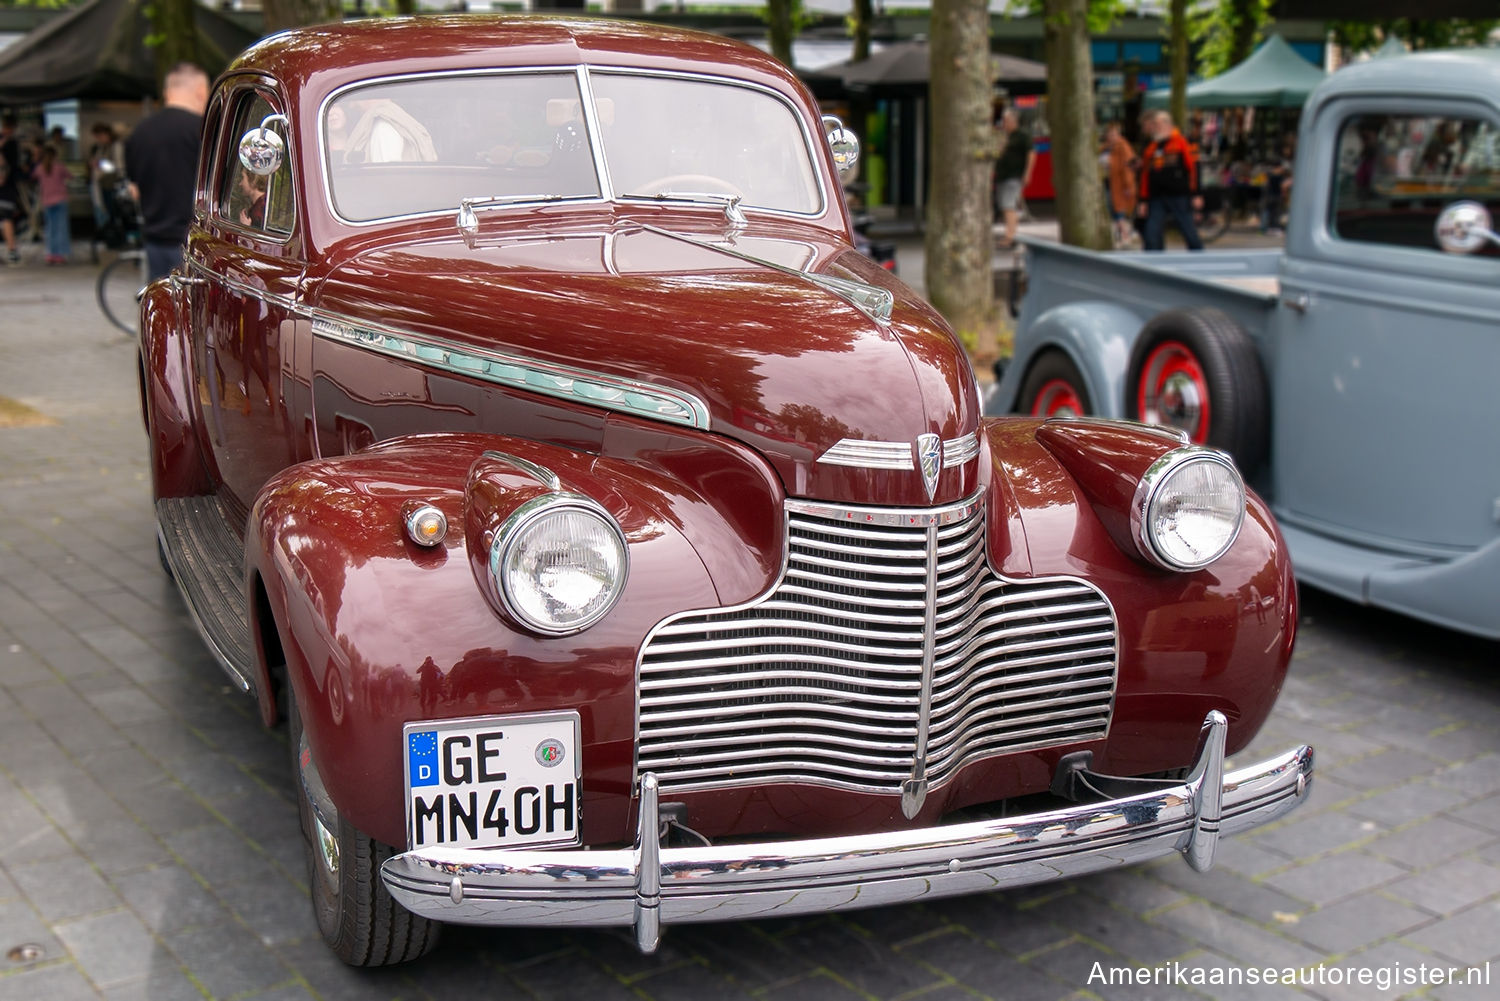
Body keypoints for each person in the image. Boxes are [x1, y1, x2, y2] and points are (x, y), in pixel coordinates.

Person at [125, 63, 209, 282]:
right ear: (201, 91)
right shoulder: (204, 131)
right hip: (195, 243)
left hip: (155, 239)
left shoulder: (139, 133)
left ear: (166, 92)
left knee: (162, 307)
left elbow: (134, 190)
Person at [1138, 110, 1203, 251]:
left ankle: (1201, 259)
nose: (1154, 127)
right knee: (1151, 233)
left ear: (1167, 125)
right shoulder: (1151, 148)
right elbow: (1145, 176)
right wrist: (1143, 200)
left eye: (1157, 124)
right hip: (1157, 198)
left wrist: (1196, 193)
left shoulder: (1182, 142)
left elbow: (1194, 169)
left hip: (1179, 195)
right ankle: (1153, 265)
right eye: (1154, 124)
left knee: (1188, 231)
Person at [994, 108, 1034, 249]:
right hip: (1002, 175)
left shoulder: (1022, 136)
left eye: (1006, 121)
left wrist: (1027, 173)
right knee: (1005, 205)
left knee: (1008, 205)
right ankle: (1009, 234)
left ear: (1013, 121)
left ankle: (1010, 236)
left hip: (1014, 175)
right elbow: (999, 153)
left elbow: (1031, 154)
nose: (1004, 124)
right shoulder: (1005, 137)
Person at [31, 144, 71, 264]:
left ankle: (50, 254)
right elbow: (70, 177)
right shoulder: (59, 166)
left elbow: (32, 176)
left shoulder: (39, 168)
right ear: (55, 155)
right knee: (61, 228)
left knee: (50, 229)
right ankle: (60, 255)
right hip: (60, 200)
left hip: (47, 201)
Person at [1104, 121, 1138, 247]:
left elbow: (1128, 167)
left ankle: (1125, 236)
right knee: (1113, 210)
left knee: (1119, 211)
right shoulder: (1106, 147)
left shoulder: (1123, 146)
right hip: (1108, 183)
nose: (1111, 137)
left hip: (1119, 185)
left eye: (1113, 134)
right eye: (1109, 134)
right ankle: (1121, 235)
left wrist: (1128, 185)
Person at [1, 113, 26, 264]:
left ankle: (12, 250)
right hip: (7, 186)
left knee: (5, 217)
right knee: (6, 217)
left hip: (7, 185)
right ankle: (12, 250)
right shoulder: (11, 143)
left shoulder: (12, 143)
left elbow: (11, 165)